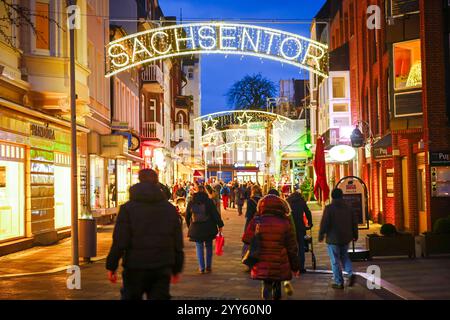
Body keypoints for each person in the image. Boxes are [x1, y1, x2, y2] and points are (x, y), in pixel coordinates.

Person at [106, 169, 184, 300]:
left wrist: (111, 265)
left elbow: (120, 240)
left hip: (135, 266)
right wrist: (177, 268)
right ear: (157, 181)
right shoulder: (169, 209)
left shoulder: (128, 209)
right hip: (161, 265)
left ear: (139, 180)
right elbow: (177, 241)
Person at [242, 195, 300, 300]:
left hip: (262, 260)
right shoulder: (285, 222)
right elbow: (292, 247)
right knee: (277, 283)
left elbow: (246, 239)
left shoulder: (257, 220)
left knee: (266, 283)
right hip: (279, 261)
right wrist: (295, 266)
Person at [319, 188, 358, 289]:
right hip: (346, 237)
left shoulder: (329, 208)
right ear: (342, 196)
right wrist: (355, 234)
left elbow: (325, 223)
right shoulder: (348, 207)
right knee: (344, 256)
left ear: (332, 197)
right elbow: (354, 222)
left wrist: (321, 234)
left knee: (335, 260)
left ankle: (338, 282)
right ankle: (350, 273)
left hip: (333, 238)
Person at [185, 185, 224, 274]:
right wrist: (220, 225)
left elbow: (187, 216)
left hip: (196, 227)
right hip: (208, 227)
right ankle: (208, 266)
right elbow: (215, 214)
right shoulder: (209, 201)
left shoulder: (191, 201)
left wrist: (189, 226)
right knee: (209, 246)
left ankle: (201, 267)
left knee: (199, 246)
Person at [287, 189, 313, 274]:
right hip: (300, 227)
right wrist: (310, 223)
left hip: (290, 227)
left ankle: (292, 265)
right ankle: (301, 266)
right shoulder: (301, 201)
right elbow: (308, 212)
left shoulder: (288, 201)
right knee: (301, 246)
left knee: (291, 246)